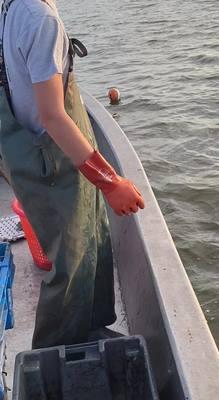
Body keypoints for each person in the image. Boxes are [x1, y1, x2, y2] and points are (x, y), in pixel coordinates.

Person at [0, 0, 145, 349]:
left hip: (42, 154)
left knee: (89, 242)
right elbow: (52, 115)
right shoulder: (40, 18)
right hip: (52, 160)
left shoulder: (14, 8)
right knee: (70, 262)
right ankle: (54, 355)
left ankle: (89, 331)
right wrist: (110, 181)